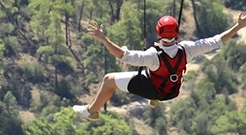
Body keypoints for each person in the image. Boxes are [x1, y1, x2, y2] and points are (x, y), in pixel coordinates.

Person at [73, 13, 246, 120]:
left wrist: (103, 38)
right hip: (172, 92)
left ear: (159, 33)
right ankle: (154, 98)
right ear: (176, 33)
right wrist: (239, 26)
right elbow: (216, 41)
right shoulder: (188, 49)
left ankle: (91, 111)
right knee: (154, 75)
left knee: (108, 80)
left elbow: (121, 55)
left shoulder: (152, 56)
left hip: (153, 88)